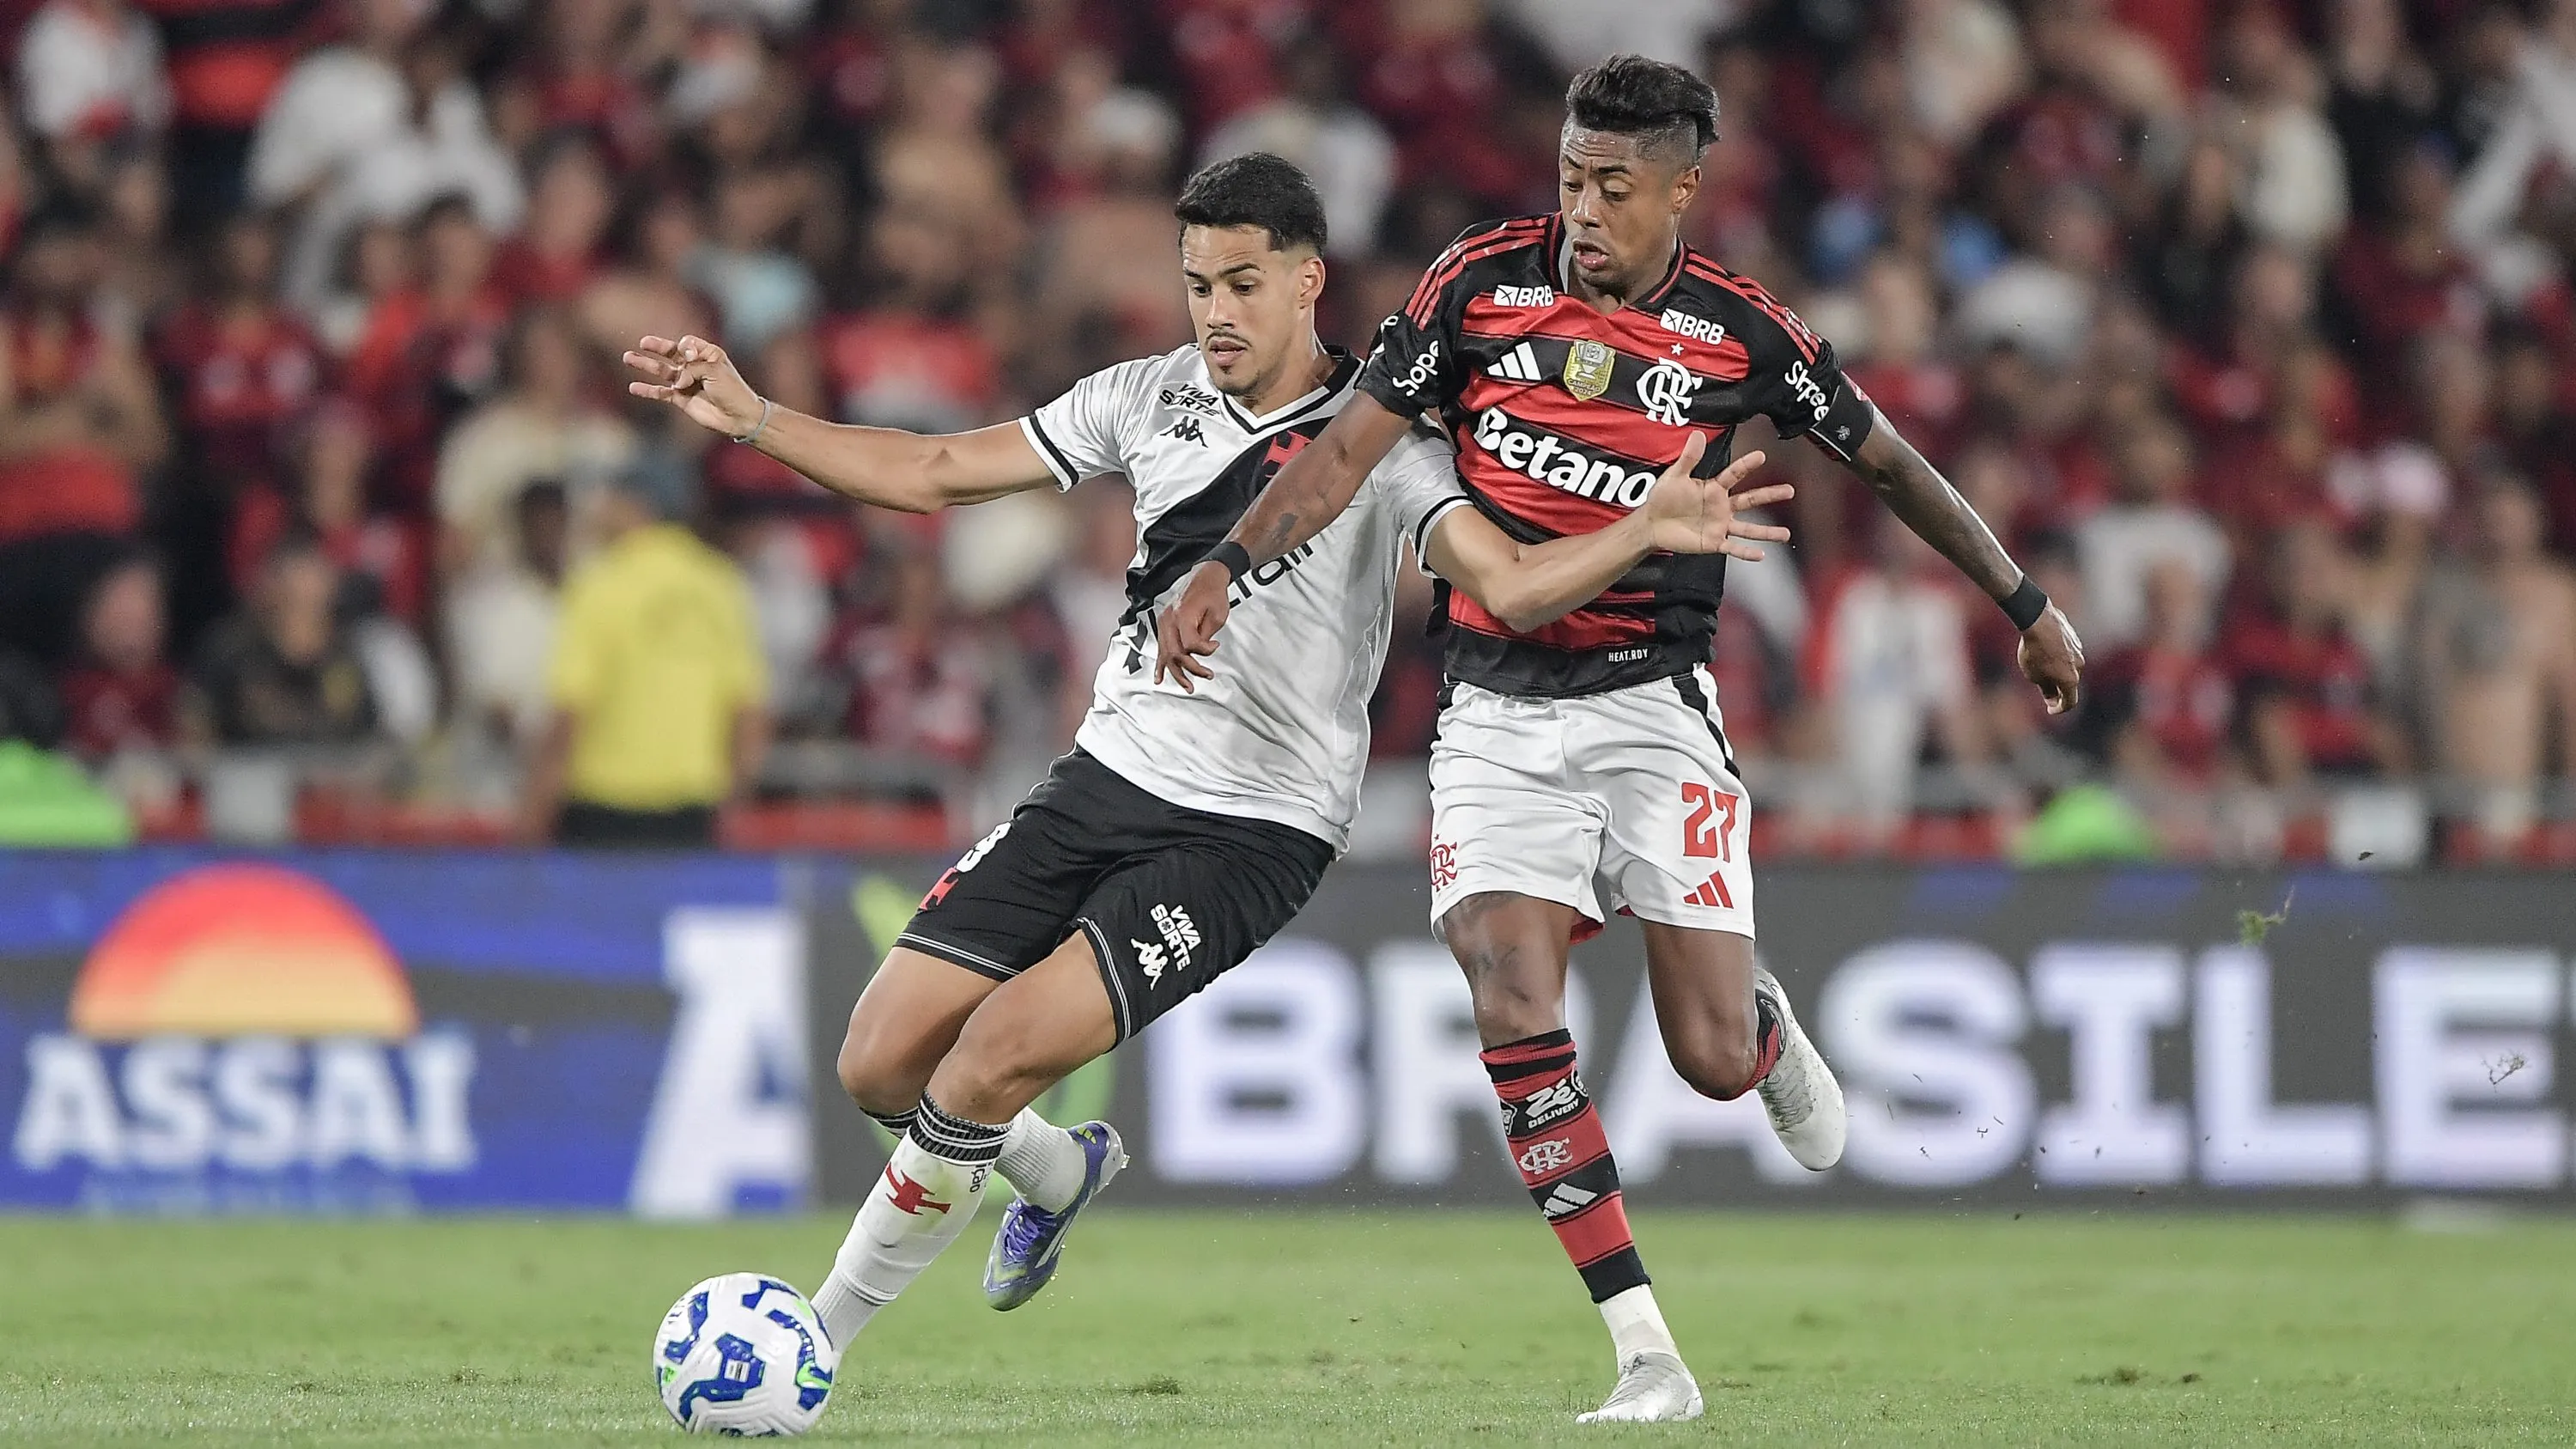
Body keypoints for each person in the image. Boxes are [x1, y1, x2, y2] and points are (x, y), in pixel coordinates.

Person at [621, 152, 1790, 1372]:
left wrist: (1641, 528)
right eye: (1198, 285)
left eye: (1242, 283)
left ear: (1306, 283)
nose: (1217, 313)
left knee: (992, 1054)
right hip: (1101, 781)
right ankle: (1056, 1166)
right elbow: (936, 471)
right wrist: (752, 414)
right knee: (881, 1058)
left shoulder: (1388, 443)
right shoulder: (1146, 396)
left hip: (1253, 829)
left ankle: (812, 1343)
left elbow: (1506, 580)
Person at [1157, 57, 2087, 1423]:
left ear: (1681, 190)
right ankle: (1648, 1351)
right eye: (1569, 178)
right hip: (1489, 704)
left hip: (1655, 705)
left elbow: (1886, 459)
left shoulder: (1741, 332)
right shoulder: (1475, 286)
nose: (1582, 208)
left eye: (1613, 186)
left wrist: (2024, 599)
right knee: (1509, 994)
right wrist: (1229, 559)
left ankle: (1760, 1030)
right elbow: (1349, 449)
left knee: (1704, 1056)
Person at [522, 466, 768, 849]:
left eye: (612, 499)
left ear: (638, 507)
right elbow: (748, 712)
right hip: (691, 812)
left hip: (602, 810)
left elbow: (570, 711)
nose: (600, 511)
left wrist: (535, 809)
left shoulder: (601, 584)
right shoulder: (719, 585)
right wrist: (733, 799)